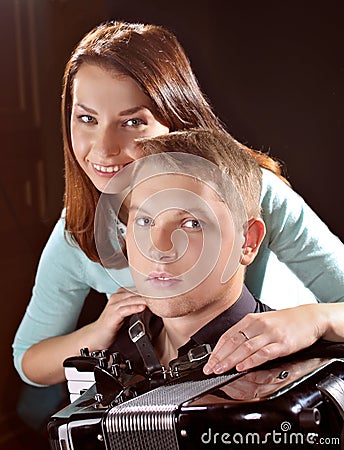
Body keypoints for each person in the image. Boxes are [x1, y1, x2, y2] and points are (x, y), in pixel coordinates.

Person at [13, 21, 344, 390]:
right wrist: (99, 331)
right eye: (87, 119)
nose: (104, 148)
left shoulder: (255, 191)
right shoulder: (79, 229)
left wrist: (313, 321)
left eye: (133, 121)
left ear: (177, 117)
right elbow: (28, 359)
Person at [98, 130, 344, 377]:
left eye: (192, 224)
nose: (158, 247)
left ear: (247, 241)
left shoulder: (304, 370)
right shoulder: (112, 344)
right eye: (144, 221)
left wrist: (321, 320)